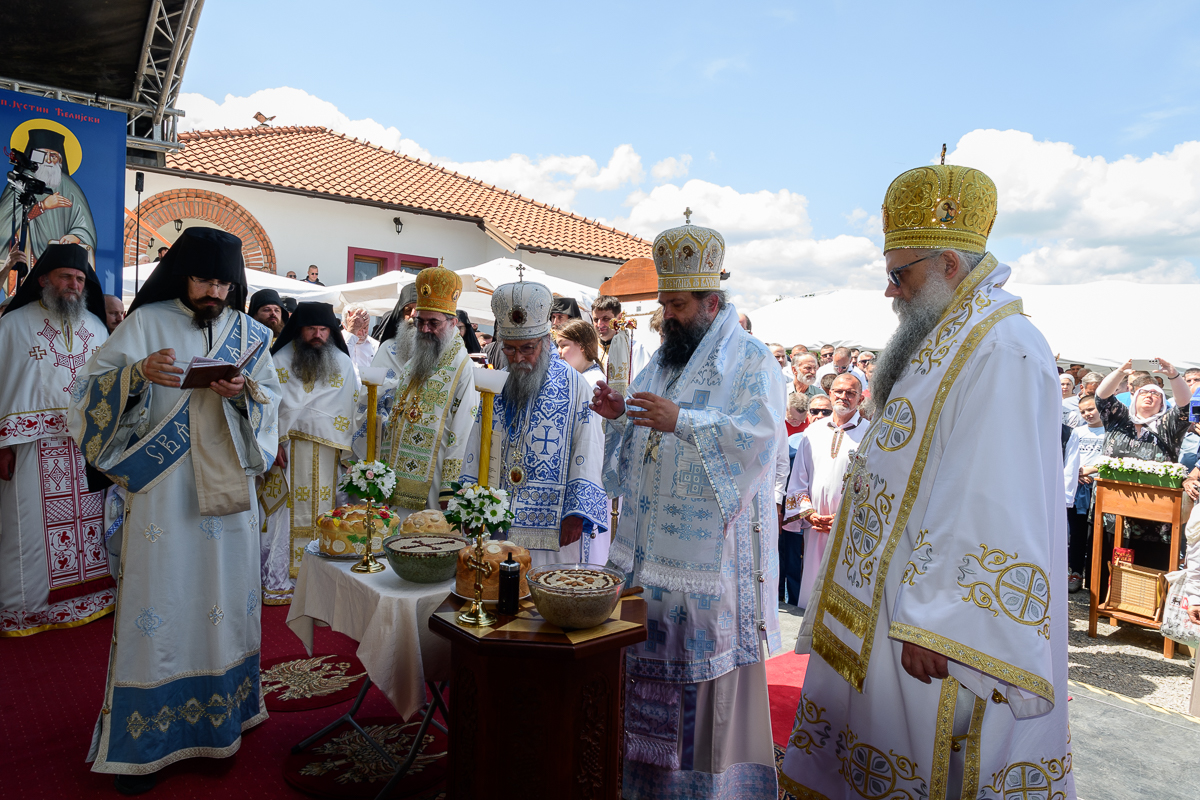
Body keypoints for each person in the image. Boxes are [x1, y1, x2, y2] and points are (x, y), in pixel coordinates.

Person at [780, 164, 1073, 799]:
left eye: (900, 274)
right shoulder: (947, 333)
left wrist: (940, 621)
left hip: (931, 627)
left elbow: (994, 491)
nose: (890, 290)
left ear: (948, 264)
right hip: (887, 603)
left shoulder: (1003, 345)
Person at [68, 227, 280, 791]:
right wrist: (136, 376)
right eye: (205, 280)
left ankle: (223, 720)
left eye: (225, 284)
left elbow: (271, 404)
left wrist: (245, 396)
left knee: (225, 602)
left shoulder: (250, 334)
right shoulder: (145, 322)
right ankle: (146, 742)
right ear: (183, 275)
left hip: (229, 497)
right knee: (159, 601)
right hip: (164, 495)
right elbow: (85, 395)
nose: (215, 292)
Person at [591, 217, 784, 799]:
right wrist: (620, 414)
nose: (666, 317)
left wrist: (684, 422)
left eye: (677, 306)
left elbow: (759, 440)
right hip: (647, 565)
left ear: (711, 302)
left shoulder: (751, 361)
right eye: (664, 305)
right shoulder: (664, 361)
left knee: (702, 701)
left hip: (708, 575)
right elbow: (644, 427)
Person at [0, 244, 113, 636]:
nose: (74, 285)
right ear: (44, 279)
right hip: (32, 448)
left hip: (85, 448)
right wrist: (2, 446)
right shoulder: (13, 325)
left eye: (80, 279)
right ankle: (26, 610)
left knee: (90, 526)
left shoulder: (96, 327)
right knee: (29, 529)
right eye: (66, 276)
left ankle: (93, 599)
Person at [460, 280, 608, 566]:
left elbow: (589, 446)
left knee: (546, 584)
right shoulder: (499, 383)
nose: (518, 358)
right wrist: (470, 499)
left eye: (527, 348)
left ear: (545, 341)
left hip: (555, 523)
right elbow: (479, 439)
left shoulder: (574, 385)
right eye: (509, 349)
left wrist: (576, 513)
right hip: (500, 517)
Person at [259, 303, 362, 604]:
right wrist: (272, 443)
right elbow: (267, 405)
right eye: (311, 329)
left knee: (331, 510)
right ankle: (282, 580)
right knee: (284, 515)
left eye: (323, 329)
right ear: (299, 329)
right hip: (289, 451)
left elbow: (351, 408)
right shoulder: (280, 360)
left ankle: (327, 580)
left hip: (330, 453)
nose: (317, 335)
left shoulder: (342, 363)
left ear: (331, 331)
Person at [371, 267, 478, 521]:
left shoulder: (463, 368)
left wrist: (450, 488)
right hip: (397, 478)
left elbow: (464, 431)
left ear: (452, 323)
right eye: (420, 322)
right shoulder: (415, 361)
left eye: (434, 323)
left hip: (433, 481)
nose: (426, 329)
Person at [1093, 358, 1190, 578]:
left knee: (1146, 573)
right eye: (1144, 392)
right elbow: (1101, 396)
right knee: (1108, 566)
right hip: (1112, 512)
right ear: (1134, 397)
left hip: (1154, 518)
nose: (1149, 395)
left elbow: (1187, 407)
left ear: (1162, 401)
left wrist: (1173, 375)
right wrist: (1121, 371)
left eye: (1156, 393)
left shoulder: (1168, 425)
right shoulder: (1119, 419)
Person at [782, 374, 867, 609]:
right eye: (838, 391)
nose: (843, 396)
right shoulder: (813, 431)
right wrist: (809, 514)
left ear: (860, 399)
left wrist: (842, 517)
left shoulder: (871, 434)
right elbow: (798, 478)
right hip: (815, 526)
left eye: (851, 393)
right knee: (812, 584)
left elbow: (873, 483)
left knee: (843, 587)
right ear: (830, 394)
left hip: (849, 527)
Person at [0, 129, 97, 264]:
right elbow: (5, 220)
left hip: (60, 260)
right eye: (43, 155)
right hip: (27, 258)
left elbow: (84, 226)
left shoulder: (70, 187)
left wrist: (76, 236)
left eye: (53, 156)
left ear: (60, 160)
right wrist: (42, 206)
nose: (48, 160)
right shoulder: (21, 181)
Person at [1066, 394, 1106, 592]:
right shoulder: (1077, 432)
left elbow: (1114, 458)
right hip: (1078, 488)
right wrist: (1077, 475)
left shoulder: (1110, 431)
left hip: (1100, 488)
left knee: (1096, 534)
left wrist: (1092, 471)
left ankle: (1095, 577)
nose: (1087, 414)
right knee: (1077, 532)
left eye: (1091, 409)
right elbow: (1069, 458)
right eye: (1083, 411)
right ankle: (1075, 572)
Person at [592, 295, 650, 380]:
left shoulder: (636, 349)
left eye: (606, 319)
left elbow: (643, 382)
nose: (600, 324)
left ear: (619, 318)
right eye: (596, 320)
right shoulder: (589, 349)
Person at [555, 318, 605, 390]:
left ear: (582, 346)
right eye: (558, 346)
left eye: (563, 345)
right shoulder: (578, 378)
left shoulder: (595, 381)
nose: (558, 351)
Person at [341, 303, 379, 372]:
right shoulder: (334, 344)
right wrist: (351, 334)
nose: (363, 333)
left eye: (365, 327)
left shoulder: (376, 346)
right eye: (357, 329)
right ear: (344, 326)